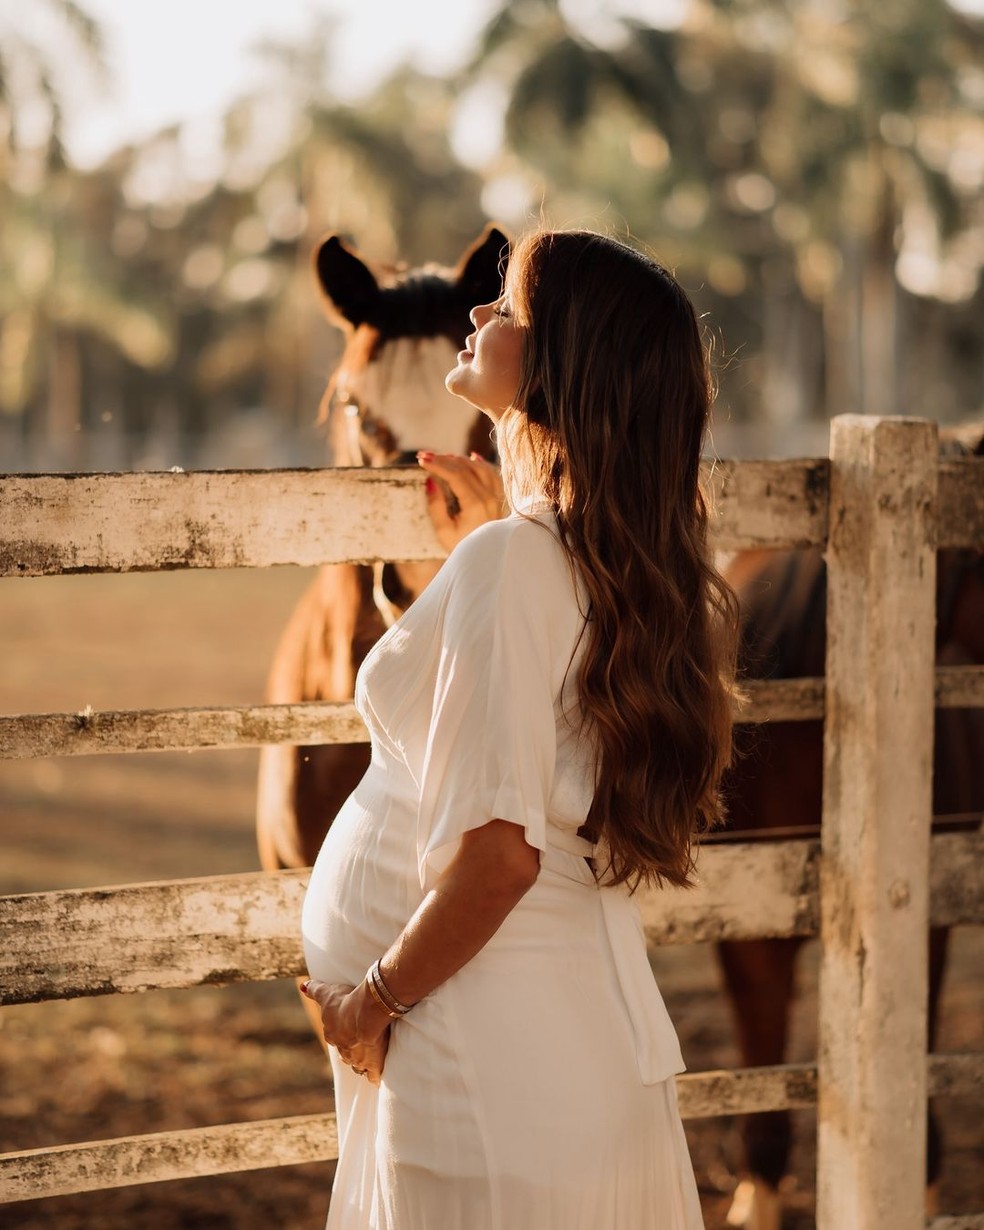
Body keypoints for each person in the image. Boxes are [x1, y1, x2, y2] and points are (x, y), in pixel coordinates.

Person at [300, 228, 739, 1229]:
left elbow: (498, 859)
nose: (477, 314)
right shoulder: (591, 558)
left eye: (511, 310)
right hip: (544, 1052)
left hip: (478, 1066)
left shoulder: (518, 563)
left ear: (561, 365)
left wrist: (371, 1002)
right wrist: (479, 550)